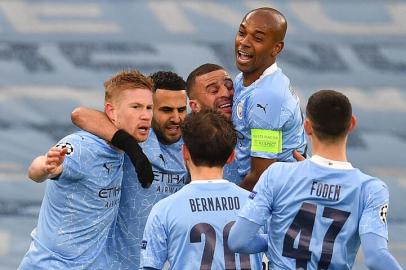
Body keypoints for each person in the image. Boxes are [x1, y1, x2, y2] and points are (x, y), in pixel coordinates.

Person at [228, 90, 403, 270]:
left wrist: (279, 238)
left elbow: (238, 240)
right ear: (352, 123)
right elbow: (376, 257)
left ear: (307, 127)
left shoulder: (277, 175)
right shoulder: (371, 189)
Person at [19, 70, 154, 269]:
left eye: (149, 107)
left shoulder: (130, 145)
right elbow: (35, 171)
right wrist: (47, 167)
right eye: (136, 107)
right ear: (111, 111)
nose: (145, 115)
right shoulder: (82, 147)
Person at [71, 71, 189, 269]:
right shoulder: (136, 134)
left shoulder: (193, 140)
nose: (176, 118)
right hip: (119, 263)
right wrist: (133, 149)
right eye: (166, 110)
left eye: (181, 110)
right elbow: (79, 115)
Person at [140, 109, 262, 270]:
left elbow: (150, 266)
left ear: (185, 153)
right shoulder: (258, 205)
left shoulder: (164, 210)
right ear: (231, 156)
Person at [233, 7, 307, 191]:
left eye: (257, 38)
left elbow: (261, 176)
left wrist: (226, 206)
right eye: (242, 33)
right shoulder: (243, 79)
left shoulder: (267, 97)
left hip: (271, 202)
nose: (244, 42)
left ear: (276, 48)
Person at [186, 63, 243, 184]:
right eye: (214, 90)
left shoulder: (257, 126)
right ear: (194, 106)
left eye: (228, 85)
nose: (226, 93)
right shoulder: (184, 142)